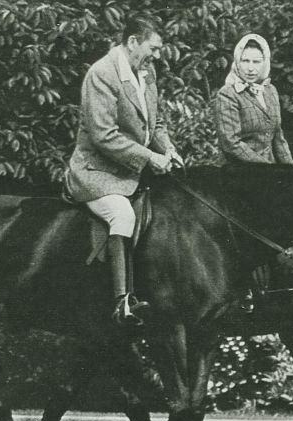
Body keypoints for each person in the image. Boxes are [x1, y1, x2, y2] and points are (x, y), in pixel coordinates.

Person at [65, 15, 183, 326]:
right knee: (123, 216)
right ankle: (123, 302)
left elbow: (156, 123)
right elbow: (104, 136)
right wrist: (149, 158)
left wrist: (168, 149)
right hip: (97, 172)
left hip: (133, 170)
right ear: (132, 42)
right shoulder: (101, 74)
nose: (157, 56)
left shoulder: (146, 72)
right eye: (153, 48)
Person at [213, 33, 293, 165]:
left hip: (271, 170)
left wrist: (291, 168)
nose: (250, 68)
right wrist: (268, 169)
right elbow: (231, 143)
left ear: (265, 63)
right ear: (237, 62)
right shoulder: (228, 94)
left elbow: (277, 137)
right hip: (240, 170)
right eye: (245, 61)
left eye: (256, 62)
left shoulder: (270, 90)